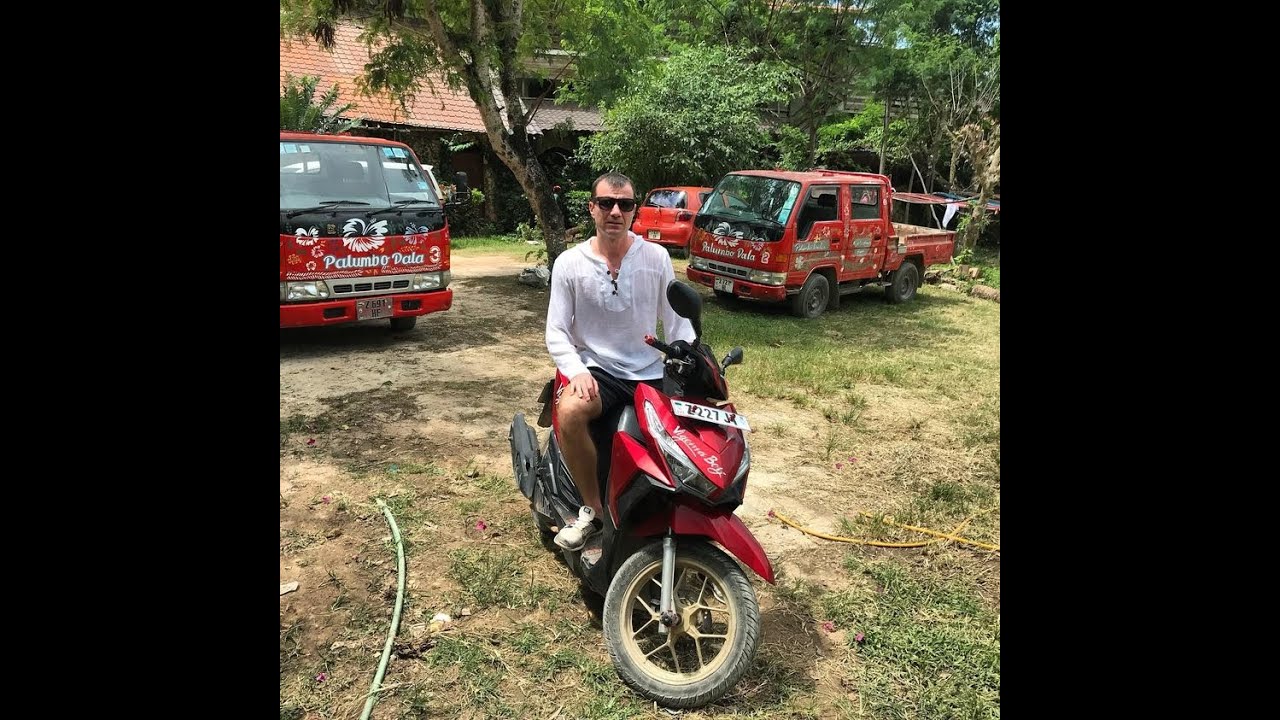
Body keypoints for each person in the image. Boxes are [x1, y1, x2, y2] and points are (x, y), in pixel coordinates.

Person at [544, 172, 696, 550]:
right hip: (599, 369)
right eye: (606, 203)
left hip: (649, 369)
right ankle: (593, 511)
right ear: (592, 208)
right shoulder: (569, 263)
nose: (615, 211)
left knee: (693, 427)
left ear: (634, 211)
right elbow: (557, 331)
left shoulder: (656, 258)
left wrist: (689, 356)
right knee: (570, 412)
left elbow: (678, 324)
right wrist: (577, 371)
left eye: (625, 204)